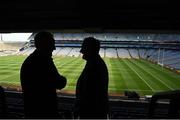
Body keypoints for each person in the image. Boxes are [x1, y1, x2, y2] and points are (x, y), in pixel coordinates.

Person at [20, 31, 67, 118]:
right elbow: (59, 83)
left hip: (32, 111)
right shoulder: (43, 61)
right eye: (52, 44)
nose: (54, 48)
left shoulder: (31, 60)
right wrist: (64, 79)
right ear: (45, 44)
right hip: (43, 112)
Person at [75, 37, 109, 119]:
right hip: (92, 110)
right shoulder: (93, 62)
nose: (81, 51)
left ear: (90, 49)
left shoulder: (94, 66)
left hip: (91, 112)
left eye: (83, 48)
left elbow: (88, 93)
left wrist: (79, 106)